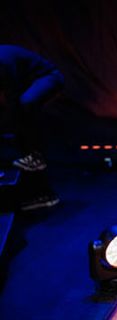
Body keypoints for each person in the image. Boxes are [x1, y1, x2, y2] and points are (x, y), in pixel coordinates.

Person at [0, 44, 64, 210]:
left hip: (49, 77)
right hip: (27, 82)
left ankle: (33, 156)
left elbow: (12, 97)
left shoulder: (3, 61)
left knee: (25, 104)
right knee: (18, 110)